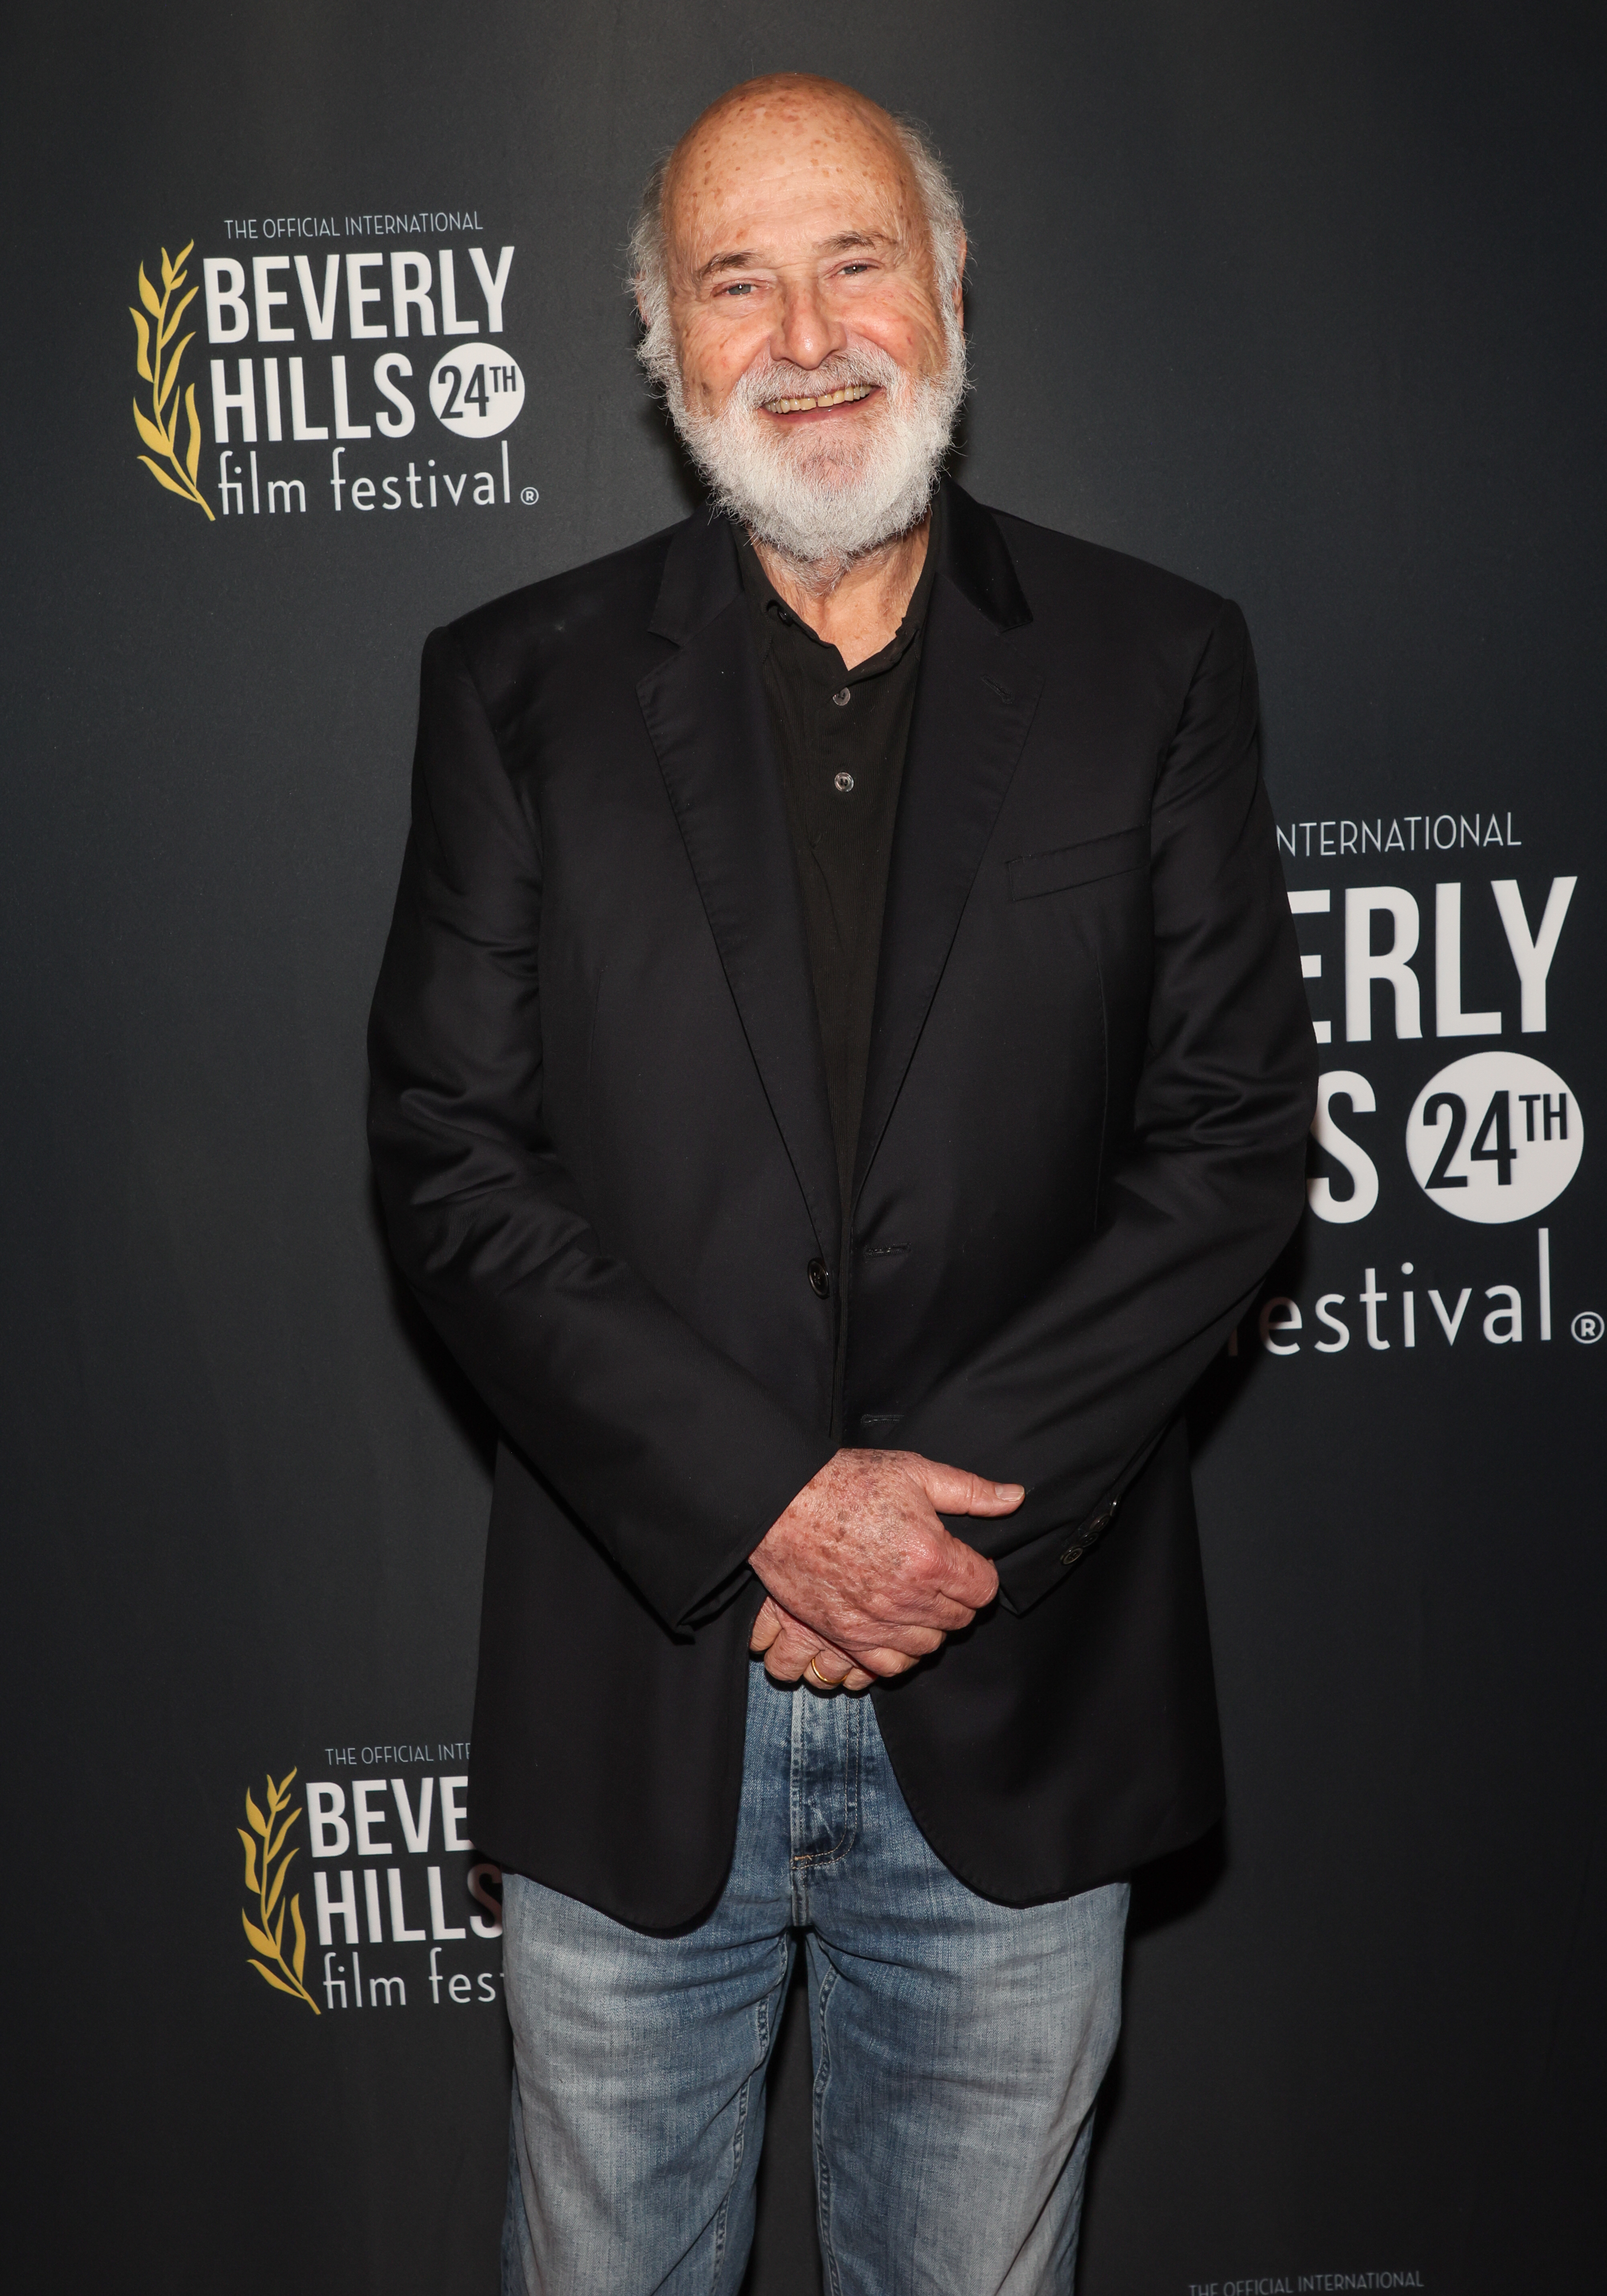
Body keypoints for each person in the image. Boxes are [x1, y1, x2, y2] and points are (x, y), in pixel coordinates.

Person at [367, 70, 1316, 2296]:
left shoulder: (1153, 666)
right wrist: (774, 1501)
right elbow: (449, 1158)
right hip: (636, 1707)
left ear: (953, 288)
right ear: (662, 345)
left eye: (853, 257)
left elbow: (1228, 1139)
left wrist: (922, 1512)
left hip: (1023, 1695)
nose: (805, 330)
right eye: (734, 278)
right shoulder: (513, 691)